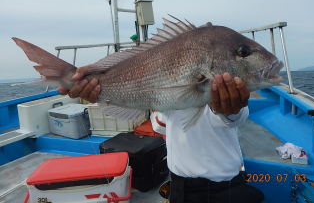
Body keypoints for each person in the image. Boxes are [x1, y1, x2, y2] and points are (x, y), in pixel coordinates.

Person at [58, 67, 264, 203]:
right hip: (180, 187)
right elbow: (161, 125)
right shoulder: (168, 99)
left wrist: (230, 109)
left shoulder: (231, 99)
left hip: (224, 189)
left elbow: (234, 114)